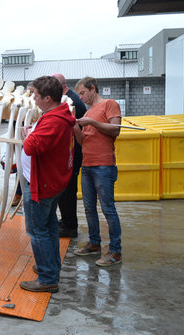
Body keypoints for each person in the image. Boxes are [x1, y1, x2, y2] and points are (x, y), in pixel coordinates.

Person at [19, 76, 75, 293]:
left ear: (48, 98)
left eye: (36, 95)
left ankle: (48, 278)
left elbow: (30, 147)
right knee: (49, 227)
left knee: (37, 231)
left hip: (42, 185)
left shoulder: (53, 121)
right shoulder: (57, 115)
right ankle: (50, 267)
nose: (33, 99)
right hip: (50, 183)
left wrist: (28, 135)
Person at [73, 76, 123, 267]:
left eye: (83, 93)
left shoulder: (109, 104)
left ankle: (115, 251)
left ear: (93, 88)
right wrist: (75, 128)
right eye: (79, 94)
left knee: (108, 208)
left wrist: (91, 123)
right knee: (88, 207)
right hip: (87, 165)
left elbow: (115, 129)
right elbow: (83, 142)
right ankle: (94, 243)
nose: (81, 97)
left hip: (103, 165)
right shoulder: (89, 111)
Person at [52, 73, 87, 238]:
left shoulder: (72, 102)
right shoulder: (66, 99)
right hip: (67, 153)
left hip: (73, 153)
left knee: (68, 190)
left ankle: (70, 225)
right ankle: (66, 219)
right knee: (64, 190)